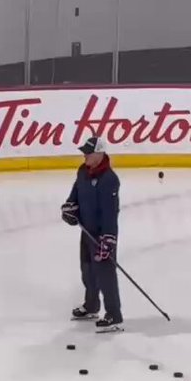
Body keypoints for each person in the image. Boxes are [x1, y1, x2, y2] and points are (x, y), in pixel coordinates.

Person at [61, 136, 123, 333]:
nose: (85, 155)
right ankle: (91, 306)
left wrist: (109, 239)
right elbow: (75, 195)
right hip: (85, 232)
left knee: (105, 275)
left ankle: (114, 314)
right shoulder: (82, 171)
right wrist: (70, 209)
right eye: (84, 151)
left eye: (88, 152)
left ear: (100, 153)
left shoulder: (109, 180)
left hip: (101, 236)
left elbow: (110, 213)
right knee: (87, 271)